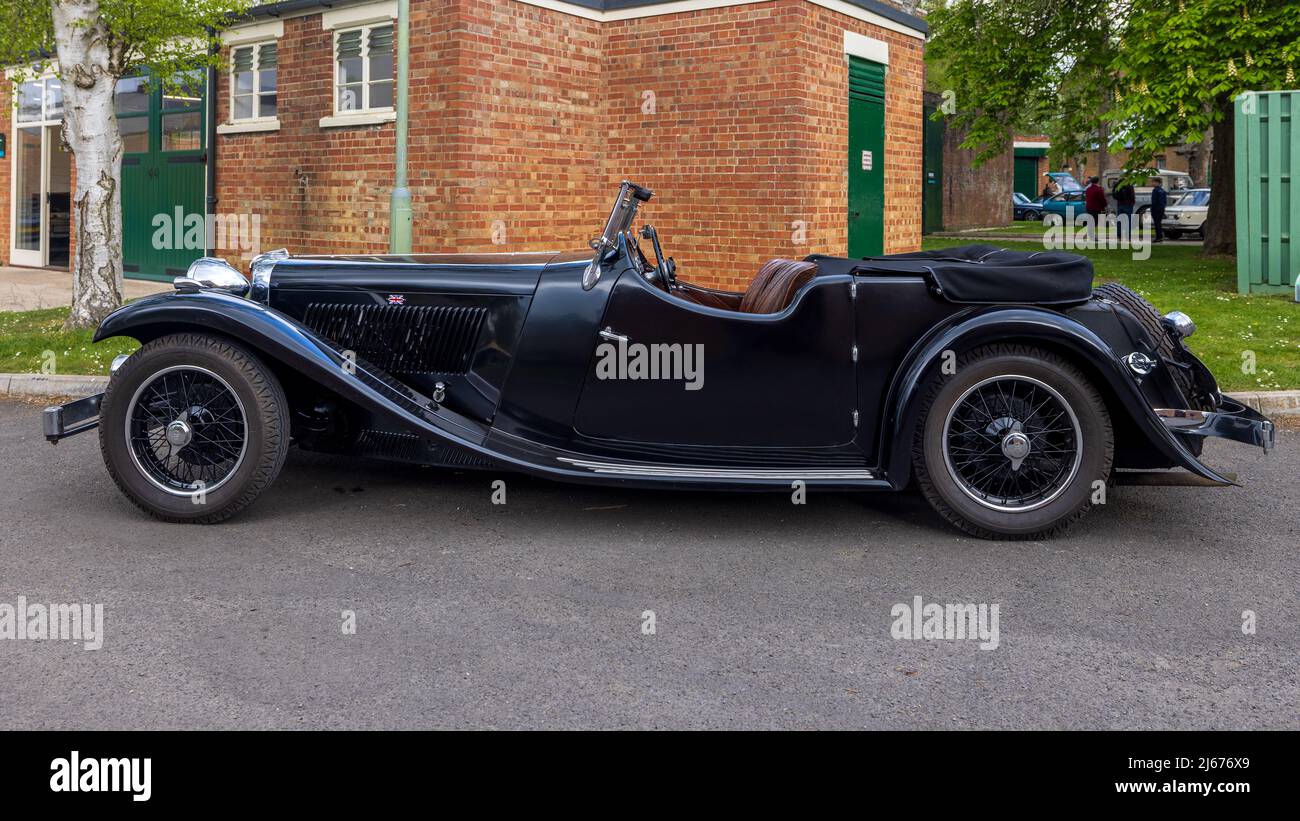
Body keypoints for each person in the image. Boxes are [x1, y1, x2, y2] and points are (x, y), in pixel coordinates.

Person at [1083, 176, 1107, 244]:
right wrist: (1105, 205)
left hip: (1089, 207)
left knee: (1090, 222)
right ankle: (1092, 236)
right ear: (1097, 181)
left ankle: (1090, 235)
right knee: (1094, 222)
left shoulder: (1088, 189)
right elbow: (1102, 199)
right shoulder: (1099, 189)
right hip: (1096, 208)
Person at [1149, 178, 1168, 243]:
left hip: (1156, 209)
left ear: (1157, 183)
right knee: (1158, 223)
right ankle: (1159, 237)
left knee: (1157, 224)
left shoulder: (1156, 190)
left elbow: (1155, 201)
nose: (1152, 183)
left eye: (1153, 182)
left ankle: (1158, 237)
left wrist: (1153, 208)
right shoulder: (1162, 190)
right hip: (1161, 208)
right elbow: (1165, 201)